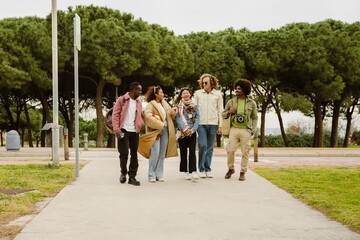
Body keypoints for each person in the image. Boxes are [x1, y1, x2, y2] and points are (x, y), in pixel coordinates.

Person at [139, 86, 178, 183]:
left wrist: (173, 112)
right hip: (155, 131)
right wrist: (160, 125)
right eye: (161, 92)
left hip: (165, 131)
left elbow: (170, 116)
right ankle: (151, 174)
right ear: (156, 94)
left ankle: (159, 174)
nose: (163, 93)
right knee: (155, 153)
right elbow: (147, 116)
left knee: (162, 153)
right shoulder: (150, 105)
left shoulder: (164, 103)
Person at [222, 79, 258, 181]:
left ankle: (243, 172)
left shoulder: (252, 103)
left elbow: (255, 117)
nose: (237, 90)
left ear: (245, 89)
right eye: (236, 88)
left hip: (246, 130)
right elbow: (223, 114)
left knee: (245, 151)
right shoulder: (231, 101)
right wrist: (229, 112)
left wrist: (252, 130)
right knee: (230, 150)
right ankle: (230, 169)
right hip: (234, 129)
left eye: (239, 88)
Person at [112, 82, 144, 186]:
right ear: (134, 90)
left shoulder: (139, 102)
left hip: (135, 131)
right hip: (123, 130)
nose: (140, 92)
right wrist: (117, 130)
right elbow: (115, 115)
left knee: (134, 155)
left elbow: (141, 115)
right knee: (124, 153)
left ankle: (132, 177)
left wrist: (140, 123)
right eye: (139, 90)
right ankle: (123, 173)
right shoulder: (122, 100)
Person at [194, 74, 223, 178]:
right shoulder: (197, 93)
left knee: (210, 148)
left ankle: (208, 168)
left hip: (213, 123)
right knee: (202, 145)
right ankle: (201, 169)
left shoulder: (218, 94)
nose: (204, 84)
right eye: (202, 82)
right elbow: (194, 110)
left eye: (206, 82)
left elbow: (220, 111)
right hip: (200, 124)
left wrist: (221, 126)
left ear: (212, 83)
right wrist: (194, 125)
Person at [175, 87, 200, 181]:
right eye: (184, 93)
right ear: (181, 95)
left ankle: (193, 171)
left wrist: (192, 130)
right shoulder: (178, 105)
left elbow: (197, 118)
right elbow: (177, 118)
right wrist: (185, 129)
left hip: (192, 132)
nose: (186, 94)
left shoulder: (195, 105)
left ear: (190, 94)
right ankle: (185, 171)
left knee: (192, 152)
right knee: (183, 152)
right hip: (182, 132)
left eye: (187, 93)